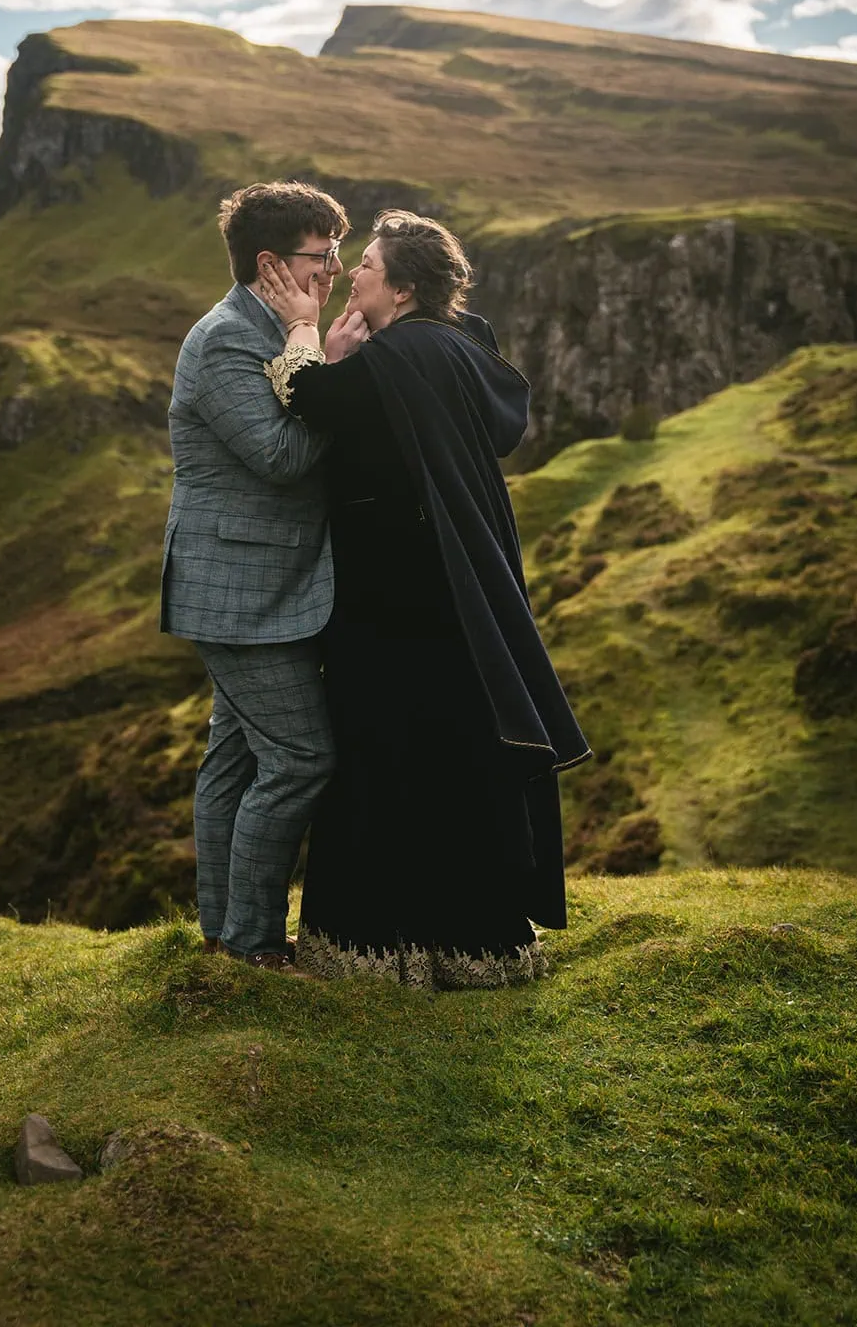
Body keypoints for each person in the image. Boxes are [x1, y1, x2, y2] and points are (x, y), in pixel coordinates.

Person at [257, 211, 591, 990]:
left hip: (394, 593)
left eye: (369, 266)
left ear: (403, 289)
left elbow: (306, 394)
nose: (354, 274)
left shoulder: (402, 354)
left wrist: (305, 330)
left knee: (383, 745)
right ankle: (472, 943)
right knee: (453, 749)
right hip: (453, 585)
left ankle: (374, 947)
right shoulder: (458, 345)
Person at [160, 181, 368, 970]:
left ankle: (223, 933)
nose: (336, 270)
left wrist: (308, 343)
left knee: (236, 761)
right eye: (323, 256)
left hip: (264, 584)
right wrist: (323, 361)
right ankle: (251, 943)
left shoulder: (265, 328)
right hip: (238, 591)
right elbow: (280, 458)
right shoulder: (226, 340)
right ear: (270, 264)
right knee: (301, 760)